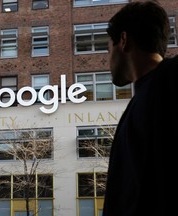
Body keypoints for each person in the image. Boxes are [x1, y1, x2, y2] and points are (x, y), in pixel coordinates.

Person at [103, 1, 178, 216]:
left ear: (124, 40)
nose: (109, 60)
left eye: (110, 47)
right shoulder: (144, 97)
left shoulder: (168, 80)